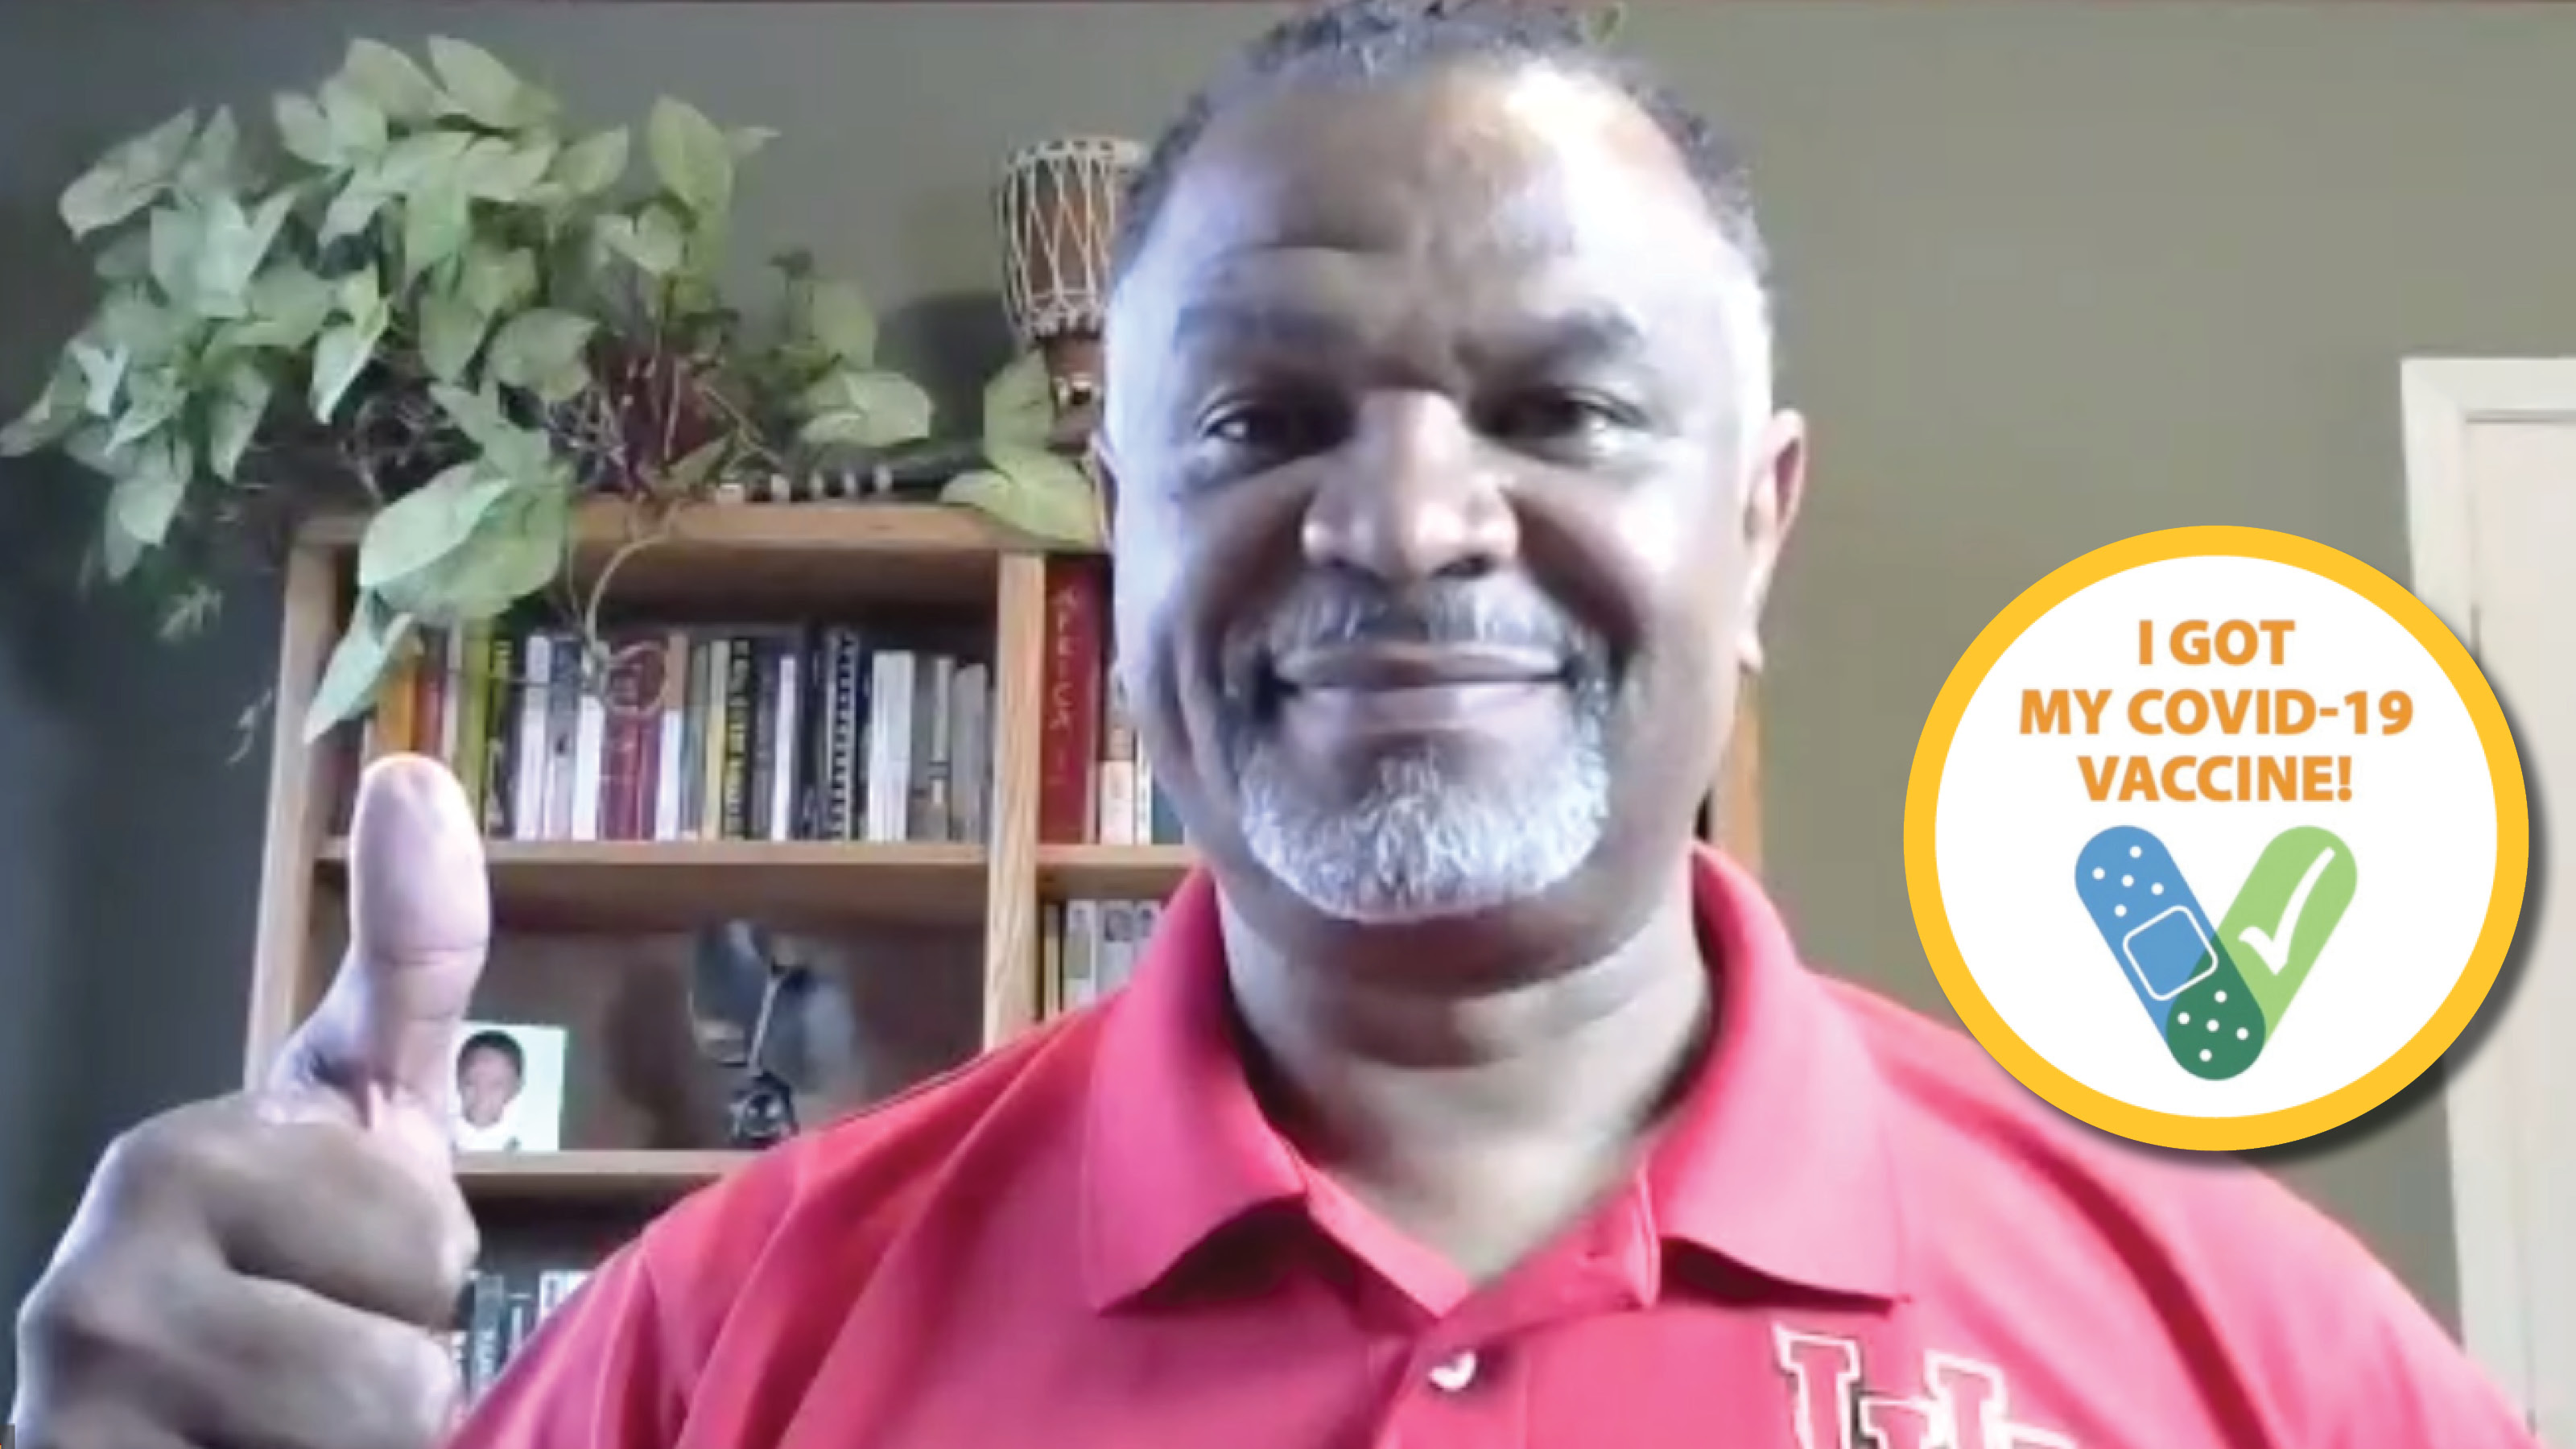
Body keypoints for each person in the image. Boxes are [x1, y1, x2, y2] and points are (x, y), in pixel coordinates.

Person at [10, 3, 2541, 1446]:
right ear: (1119, 528)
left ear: (1753, 533)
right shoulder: (720, 1341)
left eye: (1555, 412)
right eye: (1258, 425)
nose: (1405, 518)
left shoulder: (2261, 1358)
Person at [450, 1030, 526, 1154]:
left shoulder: (523, 1155)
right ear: (458, 1080)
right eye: (471, 1083)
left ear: (516, 1089)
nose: (482, 1096)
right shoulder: (433, 1140)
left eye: (496, 1085)